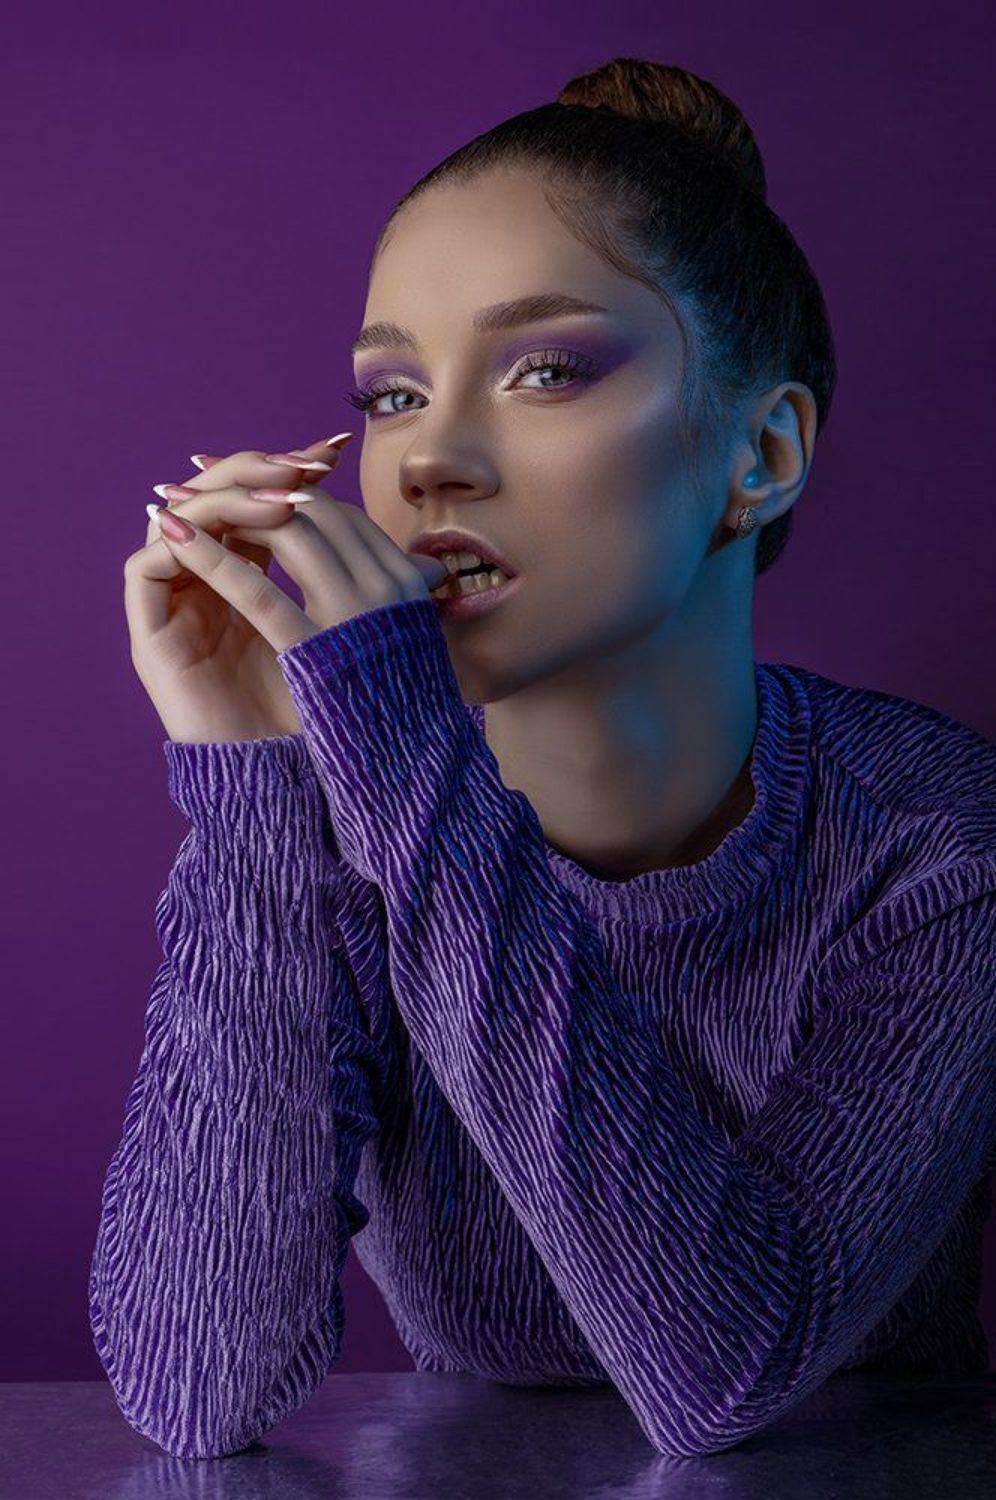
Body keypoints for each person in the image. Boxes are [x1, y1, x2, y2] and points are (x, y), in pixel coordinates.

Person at [90, 57, 996, 1462]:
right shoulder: (349, 817)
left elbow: (725, 1373)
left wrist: (397, 753)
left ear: (761, 453)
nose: (428, 462)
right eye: (393, 393)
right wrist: (256, 780)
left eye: (546, 370)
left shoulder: (934, 846)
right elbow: (193, 1389)